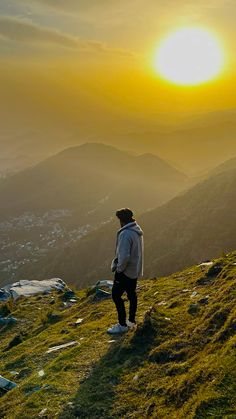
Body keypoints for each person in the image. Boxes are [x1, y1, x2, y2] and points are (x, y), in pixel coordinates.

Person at [107, 208, 144, 334]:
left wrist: (119, 269)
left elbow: (124, 256)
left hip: (125, 271)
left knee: (116, 295)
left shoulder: (125, 234)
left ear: (121, 220)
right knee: (131, 294)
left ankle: (122, 325)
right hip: (134, 269)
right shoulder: (136, 230)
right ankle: (131, 321)